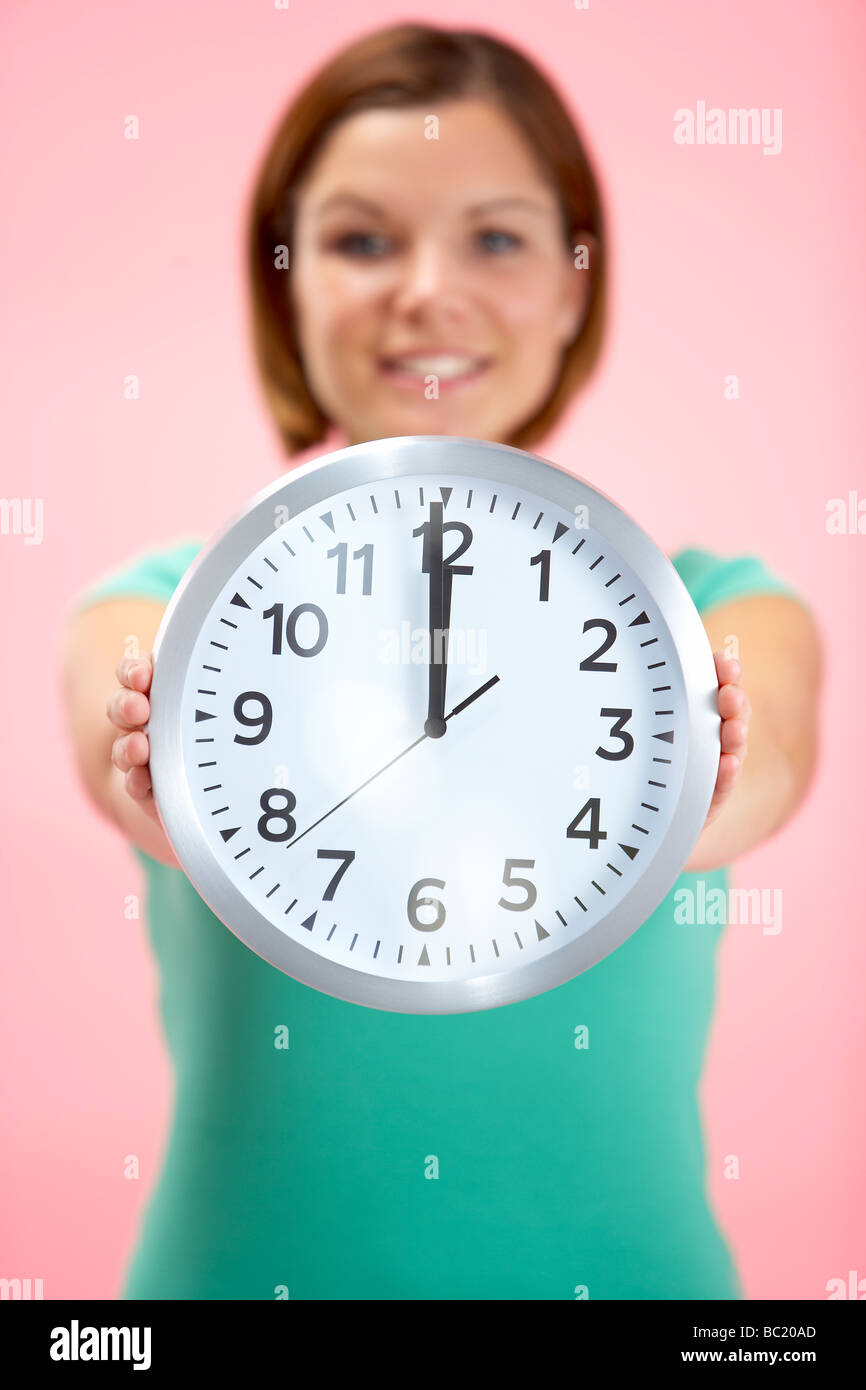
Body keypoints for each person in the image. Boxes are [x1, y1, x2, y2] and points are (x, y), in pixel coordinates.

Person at [61, 23, 821, 1299]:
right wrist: (164, 781)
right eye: (361, 242)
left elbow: (772, 757)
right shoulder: (158, 605)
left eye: (496, 239)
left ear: (573, 284)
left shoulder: (713, 609)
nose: (426, 291)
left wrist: (696, 778)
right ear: (285, 284)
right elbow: (113, 739)